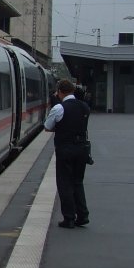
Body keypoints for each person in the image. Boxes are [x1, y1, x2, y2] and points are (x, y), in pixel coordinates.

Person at [44, 79, 91, 229]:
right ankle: (83, 215)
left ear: (59, 92)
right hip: (82, 149)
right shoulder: (84, 107)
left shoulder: (59, 108)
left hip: (65, 149)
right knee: (77, 181)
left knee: (65, 183)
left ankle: (69, 218)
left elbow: (47, 126)